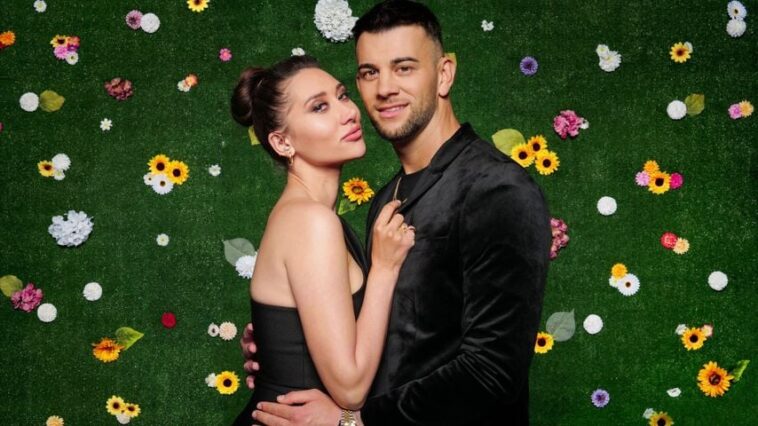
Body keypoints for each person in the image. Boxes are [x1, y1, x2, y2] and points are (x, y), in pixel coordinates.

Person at [246, 1, 552, 425]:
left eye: (404, 68)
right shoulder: (387, 198)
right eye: (369, 73)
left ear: (444, 74)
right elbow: (385, 335)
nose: (385, 88)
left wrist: (354, 422)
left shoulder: (497, 189)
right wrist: (285, 338)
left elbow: (492, 373)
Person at [229, 55, 416, 425]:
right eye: (319, 107)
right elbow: (350, 390)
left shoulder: (313, 216)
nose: (348, 113)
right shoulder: (311, 222)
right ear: (282, 142)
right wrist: (384, 268)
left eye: (342, 96)